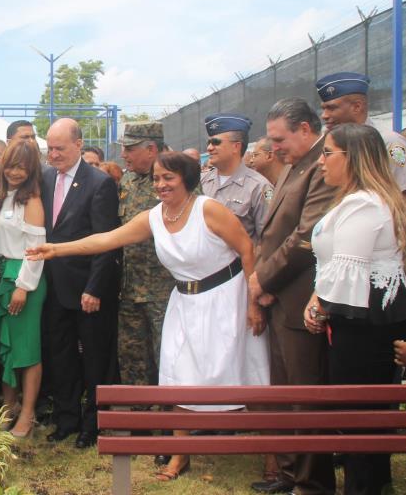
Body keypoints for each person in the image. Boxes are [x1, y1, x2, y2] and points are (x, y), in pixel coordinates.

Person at [28, 152, 268, 481]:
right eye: (156, 178)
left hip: (228, 299)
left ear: (186, 179)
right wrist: (57, 249)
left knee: (247, 375)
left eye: (168, 177)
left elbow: (247, 248)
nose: (160, 184)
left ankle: (274, 459)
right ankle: (179, 457)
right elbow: (107, 239)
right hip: (185, 303)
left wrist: (254, 304)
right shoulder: (153, 217)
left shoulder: (207, 209)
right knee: (178, 377)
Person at [303, 123, 406, 495]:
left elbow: (348, 265)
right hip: (362, 320)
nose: (320, 162)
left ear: (351, 158)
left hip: (361, 327)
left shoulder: (364, 203)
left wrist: (320, 308)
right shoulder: (361, 199)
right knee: (365, 423)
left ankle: (363, 488)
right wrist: (316, 298)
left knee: (359, 423)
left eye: (327, 153)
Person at [248, 98, 336, 495]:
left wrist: (262, 280)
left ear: (305, 129)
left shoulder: (322, 165)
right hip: (282, 297)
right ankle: (288, 474)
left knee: (304, 395)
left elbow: (306, 238)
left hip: (301, 297)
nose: (274, 147)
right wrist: (265, 283)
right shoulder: (294, 164)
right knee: (284, 390)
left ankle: (311, 482)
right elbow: (273, 232)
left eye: (279, 139)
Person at [40, 118, 118, 449]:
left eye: (59, 148)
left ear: (78, 145)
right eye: (50, 148)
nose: (53, 154)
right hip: (52, 287)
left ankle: (93, 423)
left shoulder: (99, 183)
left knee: (94, 359)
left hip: (86, 289)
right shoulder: (44, 178)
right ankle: (66, 418)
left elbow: (106, 240)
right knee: (60, 356)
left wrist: (95, 288)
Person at [0, 139, 47, 438]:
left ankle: (27, 413)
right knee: (6, 345)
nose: (15, 173)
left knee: (26, 348)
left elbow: (36, 249)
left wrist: (23, 286)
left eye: (22, 168)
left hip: (24, 277)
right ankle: (8, 406)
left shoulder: (32, 200)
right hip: (0, 275)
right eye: (11, 166)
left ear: (32, 170)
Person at [316, 72, 406, 225]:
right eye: (323, 109)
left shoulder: (389, 143)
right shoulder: (331, 142)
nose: (324, 115)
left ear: (357, 106)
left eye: (331, 108)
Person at [117, 122, 175, 391]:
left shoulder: (176, 178)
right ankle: (141, 418)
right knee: (132, 359)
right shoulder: (128, 180)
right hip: (130, 289)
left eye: (129, 149)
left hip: (164, 291)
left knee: (168, 358)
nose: (123, 155)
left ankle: (169, 425)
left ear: (151, 148)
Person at [201, 113, 273, 242]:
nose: (209, 148)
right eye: (209, 143)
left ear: (236, 146)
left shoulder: (259, 186)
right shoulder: (201, 181)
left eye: (216, 142)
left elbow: (268, 239)